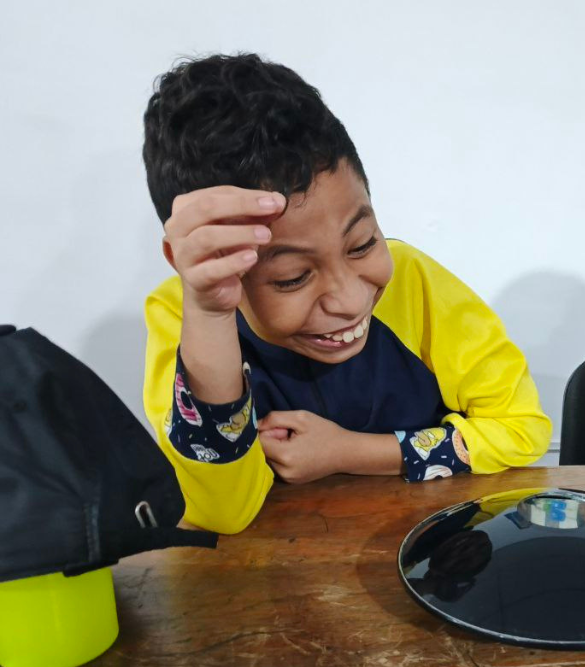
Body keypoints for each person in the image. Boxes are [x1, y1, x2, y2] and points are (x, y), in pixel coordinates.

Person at [142, 54, 551, 534]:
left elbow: (523, 430)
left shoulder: (415, 281)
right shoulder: (185, 317)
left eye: (362, 244)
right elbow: (221, 512)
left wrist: (350, 452)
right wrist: (210, 317)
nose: (351, 301)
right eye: (292, 277)